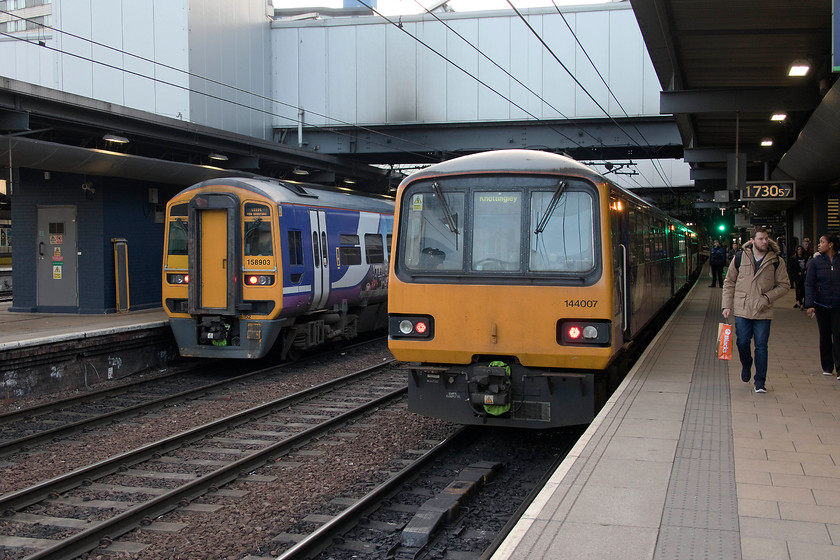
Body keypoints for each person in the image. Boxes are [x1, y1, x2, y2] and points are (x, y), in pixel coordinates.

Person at [722, 227, 790, 393]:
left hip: (763, 310)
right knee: (742, 341)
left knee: (761, 346)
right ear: (752, 240)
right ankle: (746, 364)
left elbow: (784, 285)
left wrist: (767, 298)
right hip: (743, 309)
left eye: (766, 238)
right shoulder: (739, 257)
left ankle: (760, 381)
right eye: (761, 239)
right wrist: (726, 305)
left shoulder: (776, 261)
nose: (765, 242)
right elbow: (729, 281)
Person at [804, 234, 840, 378]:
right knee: (825, 335)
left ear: (831, 244)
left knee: (838, 335)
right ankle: (827, 366)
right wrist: (810, 304)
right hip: (821, 304)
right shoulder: (816, 262)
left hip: (838, 304)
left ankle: (839, 367)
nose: (819, 245)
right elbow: (810, 283)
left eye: (822, 242)